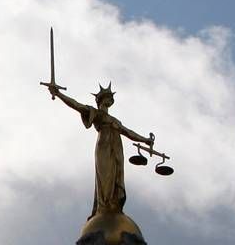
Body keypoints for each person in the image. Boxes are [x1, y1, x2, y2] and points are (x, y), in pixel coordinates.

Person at [45, 83, 154, 219]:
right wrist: (59, 94)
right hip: (104, 146)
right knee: (105, 176)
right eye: (108, 97)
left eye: (111, 98)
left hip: (116, 148)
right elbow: (76, 105)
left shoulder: (115, 121)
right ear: (101, 100)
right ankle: (103, 206)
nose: (110, 100)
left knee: (115, 175)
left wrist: (145, 140)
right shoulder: (95, 113)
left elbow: (129, 132)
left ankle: (113, 205)